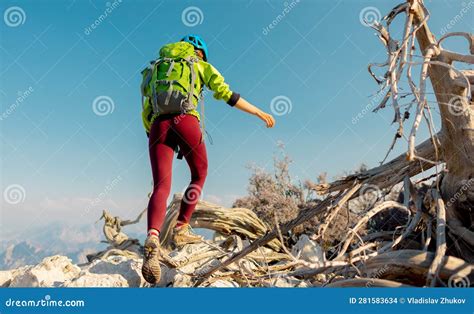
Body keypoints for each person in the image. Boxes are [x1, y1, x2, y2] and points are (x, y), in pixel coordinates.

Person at [140, 34, 275, 284]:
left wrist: (155, 133)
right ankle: (181, 228)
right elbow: (228, 95)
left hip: (159, 126)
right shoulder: (200, 66)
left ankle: (153, 236)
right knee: (199, 174)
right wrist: (258, 112)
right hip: (187, 121)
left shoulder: (156, 68)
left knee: (161, 185)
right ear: (199, 52)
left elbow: (147, 109)